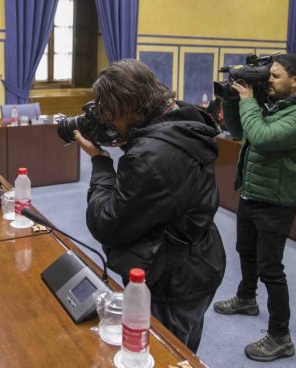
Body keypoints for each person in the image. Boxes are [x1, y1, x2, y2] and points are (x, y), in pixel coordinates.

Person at [75, 59, 225, 352]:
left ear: (129, 107)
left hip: (174, 277)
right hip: (200, 259)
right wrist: (130, 138)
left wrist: (101, 162)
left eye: (109, 111)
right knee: (184, 347)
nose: (105, 119)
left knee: (161, 350)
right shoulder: (184, 118)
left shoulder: (150, 156)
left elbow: (106, 224)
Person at [214, 53, 296, 362]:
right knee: (245, 250)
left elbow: (260, 137)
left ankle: (280, 336)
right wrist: (233, 99)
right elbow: (239, 132)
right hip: (252, 192)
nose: (268, 81)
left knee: (271, 268)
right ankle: (247, 298)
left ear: (295, 80)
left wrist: (247, 101)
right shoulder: (273, 107)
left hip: (276, 201)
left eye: (275, 76)